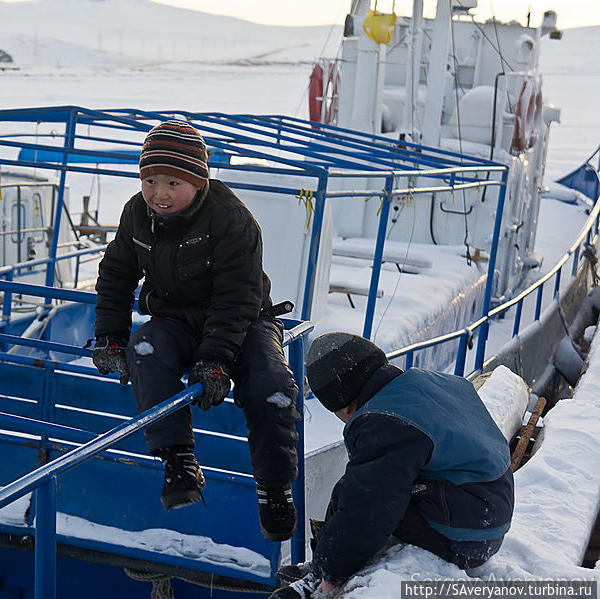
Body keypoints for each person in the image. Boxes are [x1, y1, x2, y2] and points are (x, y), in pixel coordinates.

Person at [91, 120, 301, 541]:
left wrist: (216, 360)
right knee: (144, 350)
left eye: (173, 182)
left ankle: (274, 490)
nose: (159, 193)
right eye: (150, 180)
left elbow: (237, 297)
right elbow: (116, 275)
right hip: (176, 320)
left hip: (245, 322)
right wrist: (110, 337)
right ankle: (178, 461)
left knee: (271, 387)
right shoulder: (137, 213)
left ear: (199, 180)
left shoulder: (230, 218)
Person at [271, 332, 514, 598]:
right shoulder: (427, 382)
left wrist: (333, 576)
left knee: (362, 496)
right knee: (355, 486)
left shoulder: (384, 421)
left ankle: (322, 577)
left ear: (344, 405)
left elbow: (368, 509)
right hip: (486, 506)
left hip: (467, 537)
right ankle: (321, 566)